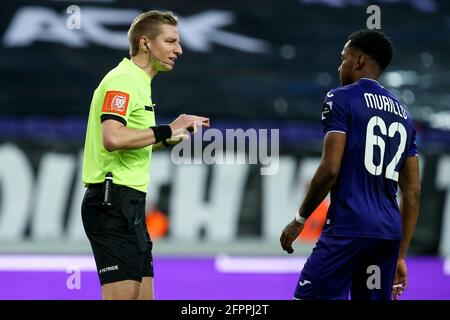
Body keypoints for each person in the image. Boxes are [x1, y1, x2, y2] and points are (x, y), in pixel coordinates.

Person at [280, 29, 420, 300]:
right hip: (387, 236)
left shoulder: (341, 98)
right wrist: (400, 255)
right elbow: (413, 193)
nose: (339, 65)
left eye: (343, 58)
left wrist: (300, 219)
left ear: (359, 61)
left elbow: (330, 169)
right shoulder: (404, 114)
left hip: (349, 228)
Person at [81, 10, 210, 300]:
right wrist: (166, 130)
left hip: (131, 204)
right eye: (170, 41)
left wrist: (172, 137)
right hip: (111, 202)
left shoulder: (140, 83)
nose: (179, 49)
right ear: (145, 43)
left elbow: (133, 142)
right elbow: (113, 138)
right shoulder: (123, 80)